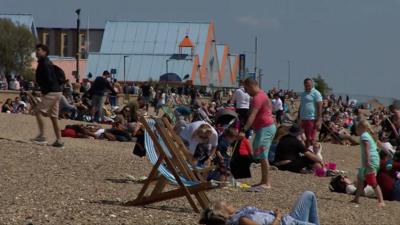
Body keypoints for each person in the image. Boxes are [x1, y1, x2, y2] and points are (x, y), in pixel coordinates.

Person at [199, 191, 320, 225]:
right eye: (227, 204)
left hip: (289, 219)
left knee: (308, 194)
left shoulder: (240, 215)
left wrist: (272, 214)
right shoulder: (242, 220)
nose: (230, 203)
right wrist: (277, 217)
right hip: (288, 223)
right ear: (223, 213)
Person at [242, 78, 276, 189]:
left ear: (251, 86)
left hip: (266, 128)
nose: (246, 92)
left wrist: (245, 129)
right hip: (264, 128)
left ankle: (267, 183)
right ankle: (263, 181)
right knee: (260, 154)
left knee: (263, 155)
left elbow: (253, 114)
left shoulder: (258, 97)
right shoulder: (261, 95)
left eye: (246, 89)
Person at [31, 44, 64, 148]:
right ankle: (59, 141)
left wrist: (41, 90)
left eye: (39, 50)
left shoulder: (44, 63)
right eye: (36, 50)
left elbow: (48, 79)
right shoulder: (46, 62)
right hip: (57, 92)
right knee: (54, 117)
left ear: (45, 52)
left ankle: (42, 137)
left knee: (37, 111)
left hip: (52, 92)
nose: (36, 52)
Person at [351, 119, 385, 207]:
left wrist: (367, 161)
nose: (356, 130)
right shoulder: (368, 135)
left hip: (370, 160)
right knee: (360, 178)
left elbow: (367, 149)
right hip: (371, 160)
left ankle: (381, 201)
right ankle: (356, 198)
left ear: (361, 128)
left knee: (372, 181)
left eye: (357, 127)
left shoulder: (364, 136)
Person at [298, 78, 323, 148]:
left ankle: (311, 153)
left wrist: (318, 119)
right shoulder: (303, 94)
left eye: (308, 84)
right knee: (302, 137)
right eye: (306, 85)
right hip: (303, 119)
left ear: (312, 84)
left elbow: (320, 106)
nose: (307, 86)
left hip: (311, 118)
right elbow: (301, 105)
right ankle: (306, 153)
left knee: (310, 138)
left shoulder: (316, 93)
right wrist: (298, 117)